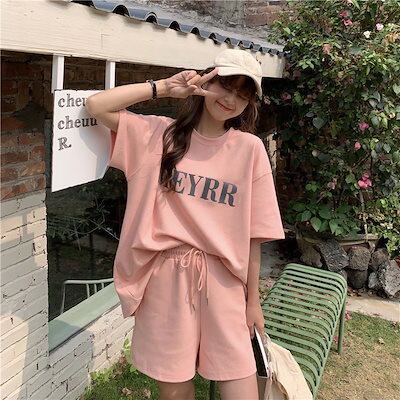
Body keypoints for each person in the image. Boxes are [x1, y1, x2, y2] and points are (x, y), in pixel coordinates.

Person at [86, 48, 285, 400]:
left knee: (241, 385)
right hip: (166, 278)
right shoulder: (160, 136)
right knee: (175, 391)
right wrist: (163, 87)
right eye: (225, 86)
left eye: (243, 94)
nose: (231, 99)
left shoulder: (250, 150)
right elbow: (97, 106)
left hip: (224, 281)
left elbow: (255, 236)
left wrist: (252, 300)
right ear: (207, 81)